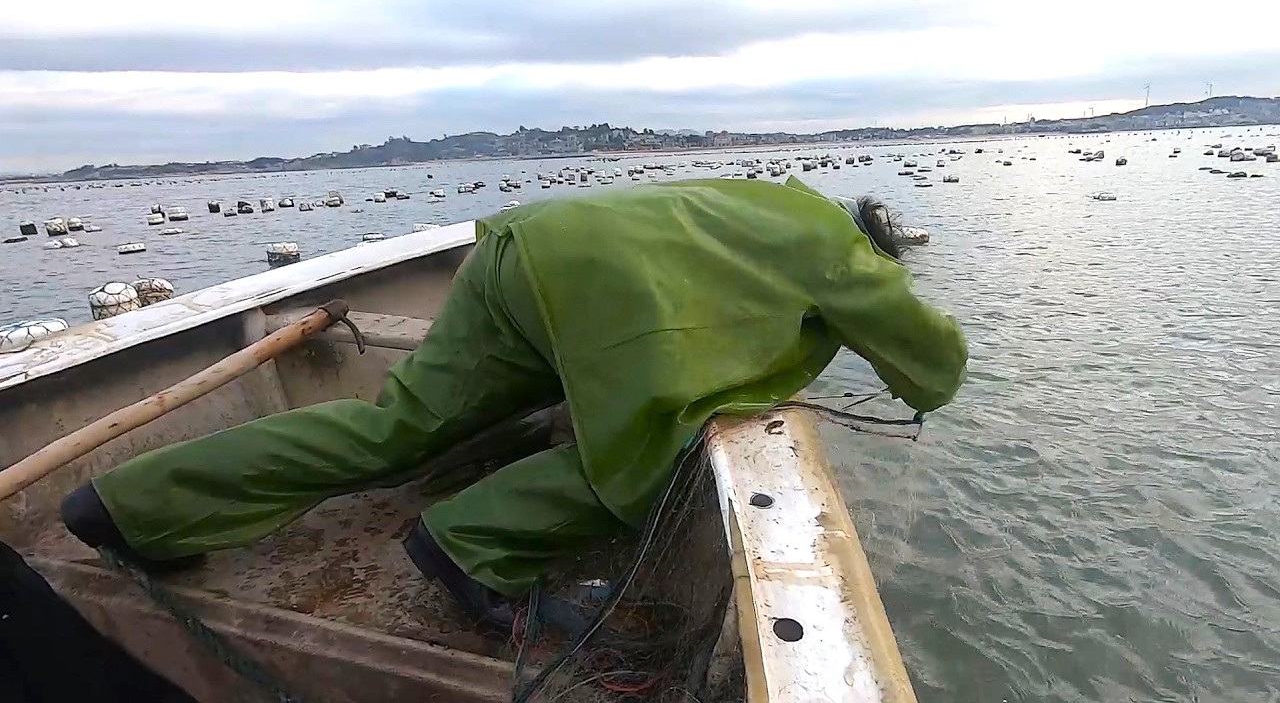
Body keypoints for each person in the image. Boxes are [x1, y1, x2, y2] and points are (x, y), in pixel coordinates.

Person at [62, 177, 967, 626]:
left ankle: (125, 504)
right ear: (878, 245)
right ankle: (467, 546)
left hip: (519, 251)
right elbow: (930, 361)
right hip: (596, 301)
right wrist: (918, 373)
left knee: (395, 427)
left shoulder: (776, 199)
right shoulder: (846, 254)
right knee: (636, 459)